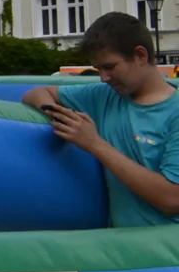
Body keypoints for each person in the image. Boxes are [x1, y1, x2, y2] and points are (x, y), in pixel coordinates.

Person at [21, 12, 179, 227]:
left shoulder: (174, 111)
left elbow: (172, 199)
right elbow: (36, 93)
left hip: (167, 244)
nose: (104, 78)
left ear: (140, 55)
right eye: (99, 69)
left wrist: (94, 144)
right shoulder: (104, 96)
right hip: (120, 242)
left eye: (110, 67)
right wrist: (58, 117)